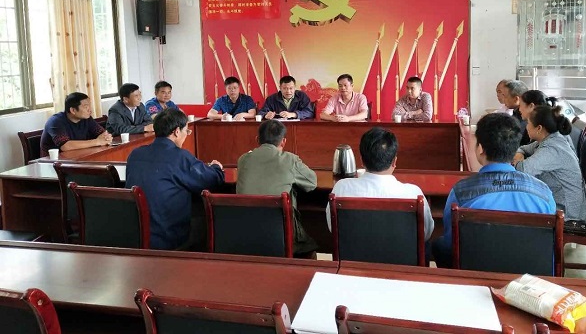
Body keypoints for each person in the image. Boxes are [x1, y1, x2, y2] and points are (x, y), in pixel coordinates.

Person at [432, 113, 556, 268]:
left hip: (475, 275)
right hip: (530, 277)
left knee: (439, 245)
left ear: (480, 149)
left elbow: (451, 243)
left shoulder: (462, 192)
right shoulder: (543, 193)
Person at [125, 108, 224, 250]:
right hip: (167, 239)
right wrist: (216, 168)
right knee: (206, 223)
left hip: (135, 237)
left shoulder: (135, 154)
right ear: (177, 132)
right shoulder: (180, 157)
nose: (186, 135)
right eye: (186, 131)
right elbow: (211, 180)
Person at [326, 127, 434, 240]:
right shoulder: (414, 193)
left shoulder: (341, 188)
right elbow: (425, 234)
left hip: (352, 251)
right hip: (401, 251)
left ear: (361, 160)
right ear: (394, 162)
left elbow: (333, 228)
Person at [237, 120, 318, 256]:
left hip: (246, 233)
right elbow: (312, 183)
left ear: (257, 140)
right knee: (309, 249)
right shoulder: (290, 160)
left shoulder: (243, 159)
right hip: (280, 235)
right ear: (283, 142)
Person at [513, 105, 586, 222]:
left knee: (515, 206)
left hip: (568, 214)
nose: (526, 127)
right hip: (556, 202)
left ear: (539, 128)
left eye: (528, 123)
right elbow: (523, 148)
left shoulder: (553, 148)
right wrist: (520, 155)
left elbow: (522, 170)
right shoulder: (550, 138)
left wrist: (518, 160)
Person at [40, 92, 113, 156]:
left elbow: (103, 133)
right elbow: (65, 146)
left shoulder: (86, 118)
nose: (90, 110)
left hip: (79, 157)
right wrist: (97, 142)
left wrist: (106, 138)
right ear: (73, 110)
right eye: (86, 107)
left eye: (89, 106)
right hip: (53, 163)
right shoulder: (55, 121)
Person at [502, 79, 530, 145]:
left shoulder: (523, 118)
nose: (503, 100)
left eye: (505, 96)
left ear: (516, 99)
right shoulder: (516, 114)